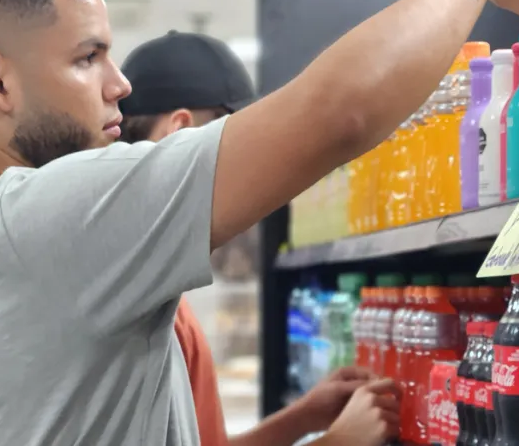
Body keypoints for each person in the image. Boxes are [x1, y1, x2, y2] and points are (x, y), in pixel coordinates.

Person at [0, 0, 519, 446]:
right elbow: (341, 111)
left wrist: (301, 422)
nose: (120, 86)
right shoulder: (44, 219)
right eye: (86, 57)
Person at [119, 30, 376, 446]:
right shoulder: (142, 307)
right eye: (240, 140)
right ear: (181, 134)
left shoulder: (156, 284)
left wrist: (301, 418)